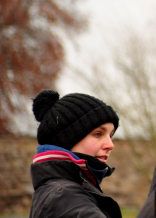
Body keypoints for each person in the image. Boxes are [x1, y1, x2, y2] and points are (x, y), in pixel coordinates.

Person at [29, 89, 122, 218]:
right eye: (98, 134)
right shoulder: (64, 197)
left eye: (110, 135)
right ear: (66, 139)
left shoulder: (66, 191)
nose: (110, 145)